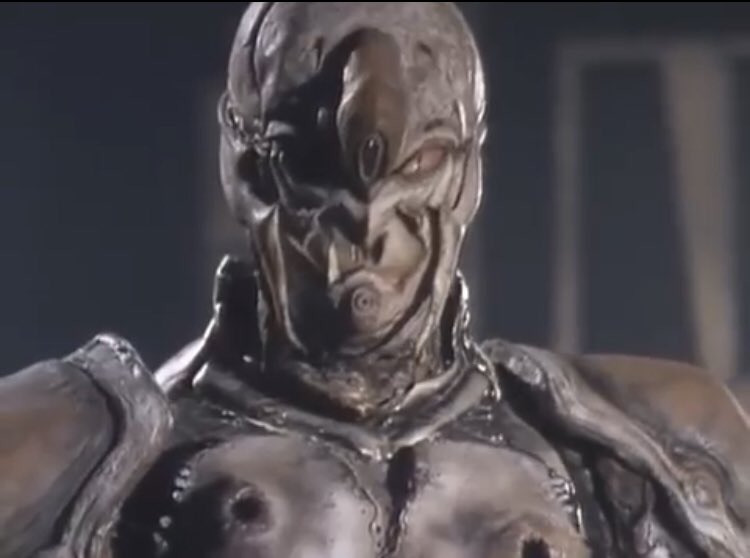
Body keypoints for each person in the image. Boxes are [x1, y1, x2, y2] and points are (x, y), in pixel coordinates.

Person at [2, 3, 749, 557]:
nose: (366, 223)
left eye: (417, 168)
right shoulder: (84, 450)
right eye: (315, 172)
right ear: (246, 169)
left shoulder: (645, 445)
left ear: (466, 172)